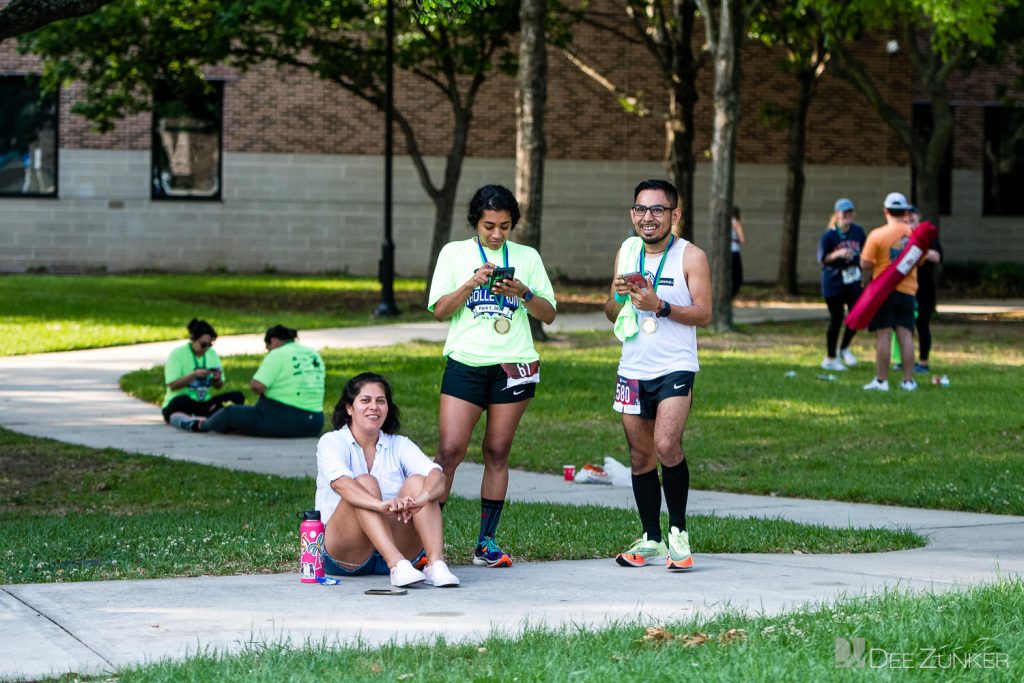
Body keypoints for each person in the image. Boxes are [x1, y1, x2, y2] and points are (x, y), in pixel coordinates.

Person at [428, 184, 557, 568]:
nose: (497, 234)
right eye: (489, 226)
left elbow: (548, 314)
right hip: (466, 363)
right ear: (476, 223)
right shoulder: (454, 253)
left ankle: (486, 541)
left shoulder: (527, 256)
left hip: (513, 365)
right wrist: (469, 284)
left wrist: (523, 291)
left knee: (497, 451)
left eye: (504, 226)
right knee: (449, 451)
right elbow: (439, 311)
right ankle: (427, 541)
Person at [604, 179, 712, 572]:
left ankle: (678, 533)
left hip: (675, 365)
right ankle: (651, 537)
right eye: (640, 210)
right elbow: (611, 312)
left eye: (657, 210)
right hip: (633, 365)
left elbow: (704, 313)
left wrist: (660, 306)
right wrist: (618, 296)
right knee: (639, 455)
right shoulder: (627, 250)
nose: (647, 218)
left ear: (675, 215)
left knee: (667, 445)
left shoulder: (691, 256)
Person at [316, 372, 459, 588]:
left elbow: (438, 476)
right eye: (365, 400)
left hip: (400, 543)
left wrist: (422, 498)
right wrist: (381, 505)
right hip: (346, 553)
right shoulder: (332, 441)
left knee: (421, 482)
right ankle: (396, 564)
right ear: (349, 408)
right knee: (365, 483)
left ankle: (436, 564)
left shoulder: (398, 444)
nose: (374, 407)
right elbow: (341, 484)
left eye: (380, 401)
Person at [178, 324, 325, 436]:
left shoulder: (278, 354)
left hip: (284, 420)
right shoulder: (313, 354)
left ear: (273, 341)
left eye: (267, 348)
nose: (268, 351)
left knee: (230, 413)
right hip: (315, 422)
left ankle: (201, 425)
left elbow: (257, 385)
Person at [859, 193, 939, 392]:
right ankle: (908, 381)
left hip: (883, 291)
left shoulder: (877, 234)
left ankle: (881, 380)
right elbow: (920, 260)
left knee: (884, 335)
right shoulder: (914, 235)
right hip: (908, 290)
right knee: (906, 335)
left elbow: (865, 263)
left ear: (885, 211)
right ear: (905, 211)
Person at [816, 198, 867, 371]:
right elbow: (823, 258)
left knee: (857, 316)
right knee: (836, 319)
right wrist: (838, 254)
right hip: (834, 282)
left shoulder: (858, 232)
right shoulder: (829, 235)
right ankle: (830, 357)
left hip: (853, 280)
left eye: (850, 212)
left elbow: (865, 254)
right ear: (837, 214)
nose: (847, 216)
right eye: (844, 212)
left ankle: (844, 347)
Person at [163, 319, 244, 425]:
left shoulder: (212, 354)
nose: (206, 348)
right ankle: (206, 418)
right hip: (185, 402)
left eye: (209, 345)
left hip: (204, 402)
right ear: (193, 339)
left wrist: (217, 379)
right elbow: (172, 385)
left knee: (237, 396)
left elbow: (219, 386)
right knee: (180, 401)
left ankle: (202, 418)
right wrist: (194, 375)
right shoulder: (178, 354)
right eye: (203, 344)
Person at [911, 207, 944, 373]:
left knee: (922, 325)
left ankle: (923, 362)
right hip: (906, 288)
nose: (909, 218)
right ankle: (903, 360)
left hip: (924, 288)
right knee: (903, 326)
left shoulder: (928, 237)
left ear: (918, 217)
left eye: (912, 215)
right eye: (906, 215)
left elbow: (937, 256)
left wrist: (919, 253)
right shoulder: (901, 236)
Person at [730, 206, 745, 300]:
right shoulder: (736, 223)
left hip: (726, 254)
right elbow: (742, 239)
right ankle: (731, 296)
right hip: (734, 251)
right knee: (737, 278)